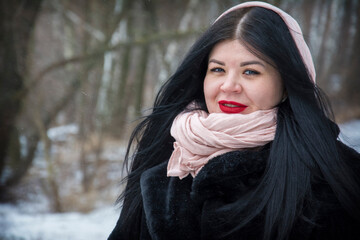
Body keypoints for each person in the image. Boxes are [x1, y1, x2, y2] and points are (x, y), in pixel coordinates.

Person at [108, 1, 360, 239]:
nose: (229, 86)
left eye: (250, 71)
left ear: (286, 84)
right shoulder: (165, 158)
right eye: (217, 69)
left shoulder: (334, 175)